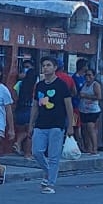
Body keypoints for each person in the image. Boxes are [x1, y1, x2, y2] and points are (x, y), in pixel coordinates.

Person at [28, 56, 75, 194]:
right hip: (41, 124)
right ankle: (48, 172)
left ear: (55, 68)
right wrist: (31, 124)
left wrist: (70, 125)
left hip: (57, 124)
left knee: (54, 155)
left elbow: (68, 106)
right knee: (36, 152)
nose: (46, 68)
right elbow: (36, 106)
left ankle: (50, 183)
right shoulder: (40, 85)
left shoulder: (61, 85)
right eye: (44, 65)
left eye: (49, 65)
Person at [11, 61, 36, 156]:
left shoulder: (20, 84)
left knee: (22, 131)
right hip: (30, 110)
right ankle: (27, 153)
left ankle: (18, 144)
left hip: (20, 110)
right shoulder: (37, 85)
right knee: (29, 133)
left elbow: (14, 97)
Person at [78, 62, 101, 154]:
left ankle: (95, 149)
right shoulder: (84, 84)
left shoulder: (95, 85)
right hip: (83, 109)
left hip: (93, 110)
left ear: (94, 76)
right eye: (86, 75)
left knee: (90, 127)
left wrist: (86, 96)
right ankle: (88, 147)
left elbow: (98, 97)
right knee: (85, 129)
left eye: (90, 75)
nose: (88, 77)